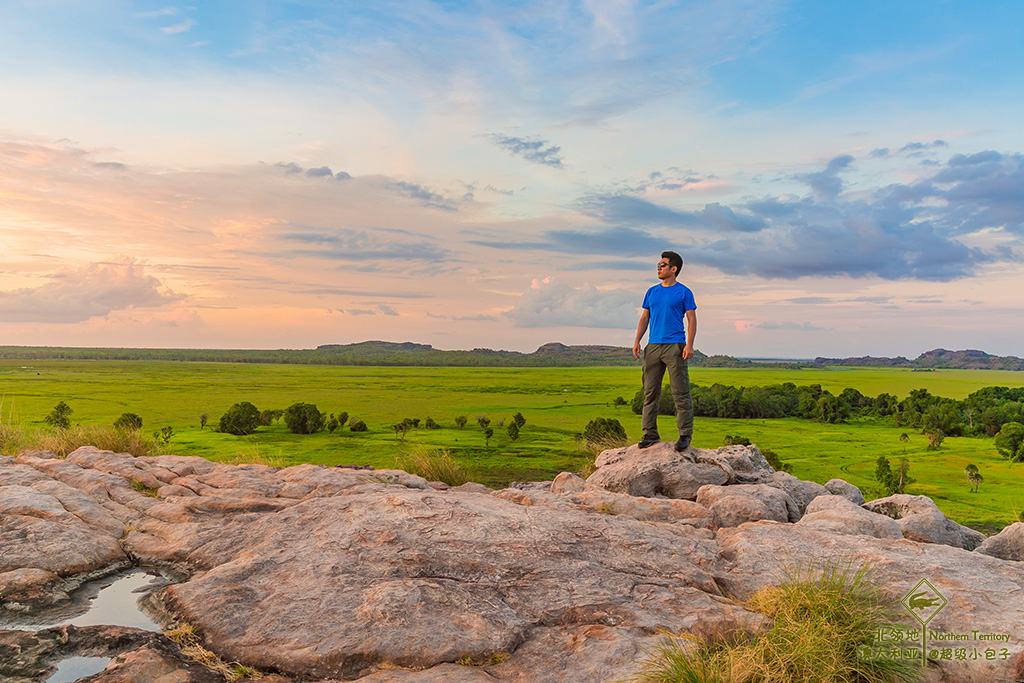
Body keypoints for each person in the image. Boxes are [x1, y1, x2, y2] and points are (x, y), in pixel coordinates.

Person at [631, 250, 697, 451]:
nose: (658, 268)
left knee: (680, 392)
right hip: (652, 346)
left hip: (675, 345)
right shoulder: (652, 292)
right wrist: (637, 341)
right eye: (658, 265)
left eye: (662, 264)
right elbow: (644, 318)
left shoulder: (684, 292)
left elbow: (692, 319)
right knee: (650, 392)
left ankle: (684, 435)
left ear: (673, 269)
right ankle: (649, 433)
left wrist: (690, 345)